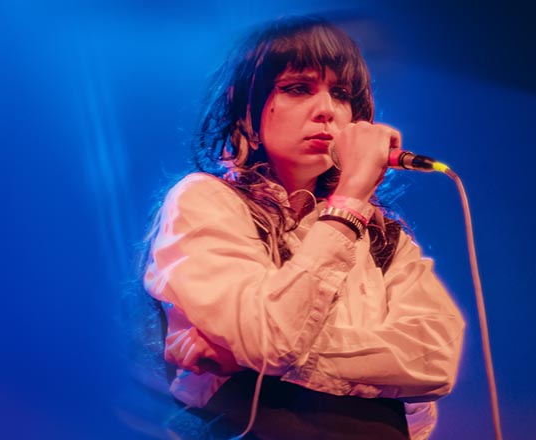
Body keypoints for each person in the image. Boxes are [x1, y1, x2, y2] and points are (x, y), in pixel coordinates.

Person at [142, 15, 465, 440]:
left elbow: (435, 360)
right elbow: (271, 339)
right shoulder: (204, 200)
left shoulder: (383, 236)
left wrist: (249, 359)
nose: (327, 110)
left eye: (341, 94)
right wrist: (350, 199)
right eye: (297, 88)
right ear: (246, 111)